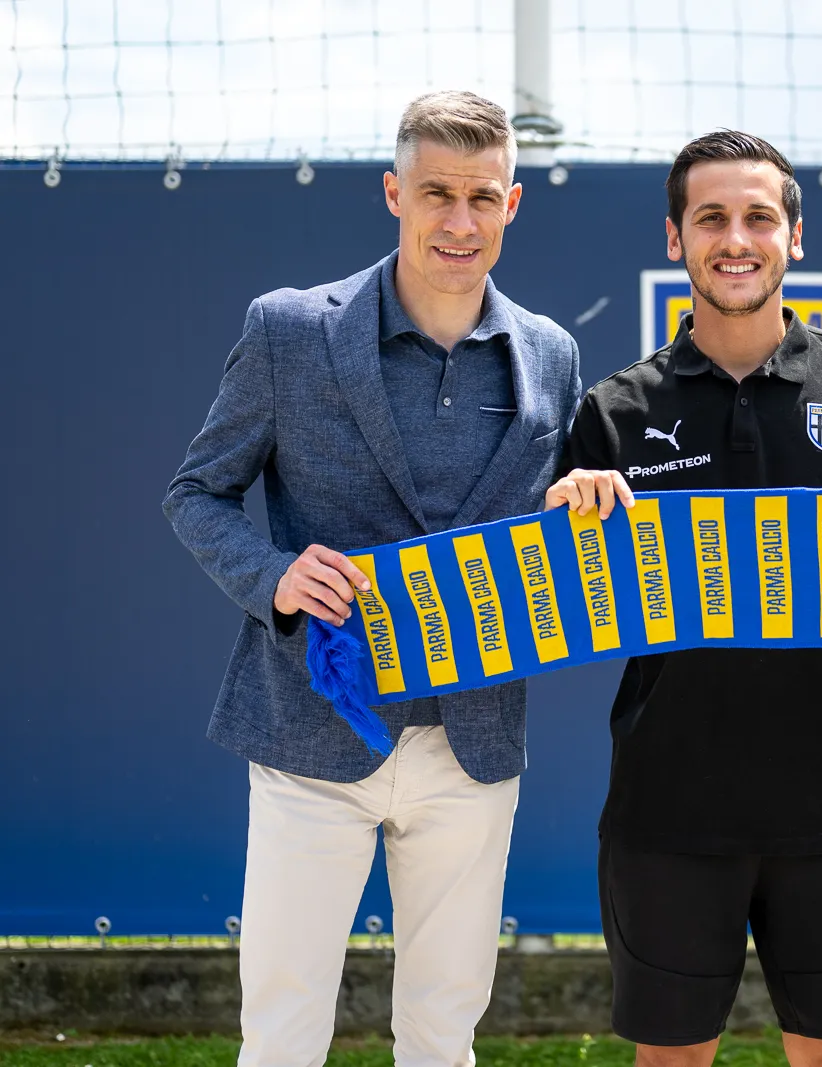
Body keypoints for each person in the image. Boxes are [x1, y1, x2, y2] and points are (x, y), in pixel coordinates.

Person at [163, 91, 583, 1066]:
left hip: (473, 738)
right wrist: (272, 575)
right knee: (281, 1031)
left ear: (512, 203)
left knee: (443, 1031)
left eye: (482, 196)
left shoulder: (551, 354)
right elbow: (196, 492)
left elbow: (558, 530)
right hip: (312, 729)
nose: (460, 220)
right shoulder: (289, 331)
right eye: (437, 193)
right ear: (395, 193)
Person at [543, 130, 822, 1067]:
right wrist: (565, 515)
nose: (736, 240)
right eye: (711, 218)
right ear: (675, 238)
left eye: (758, 218)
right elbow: (556, 603)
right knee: (671, 1058)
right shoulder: (618, 410)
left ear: (794, 236)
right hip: (669, 809)